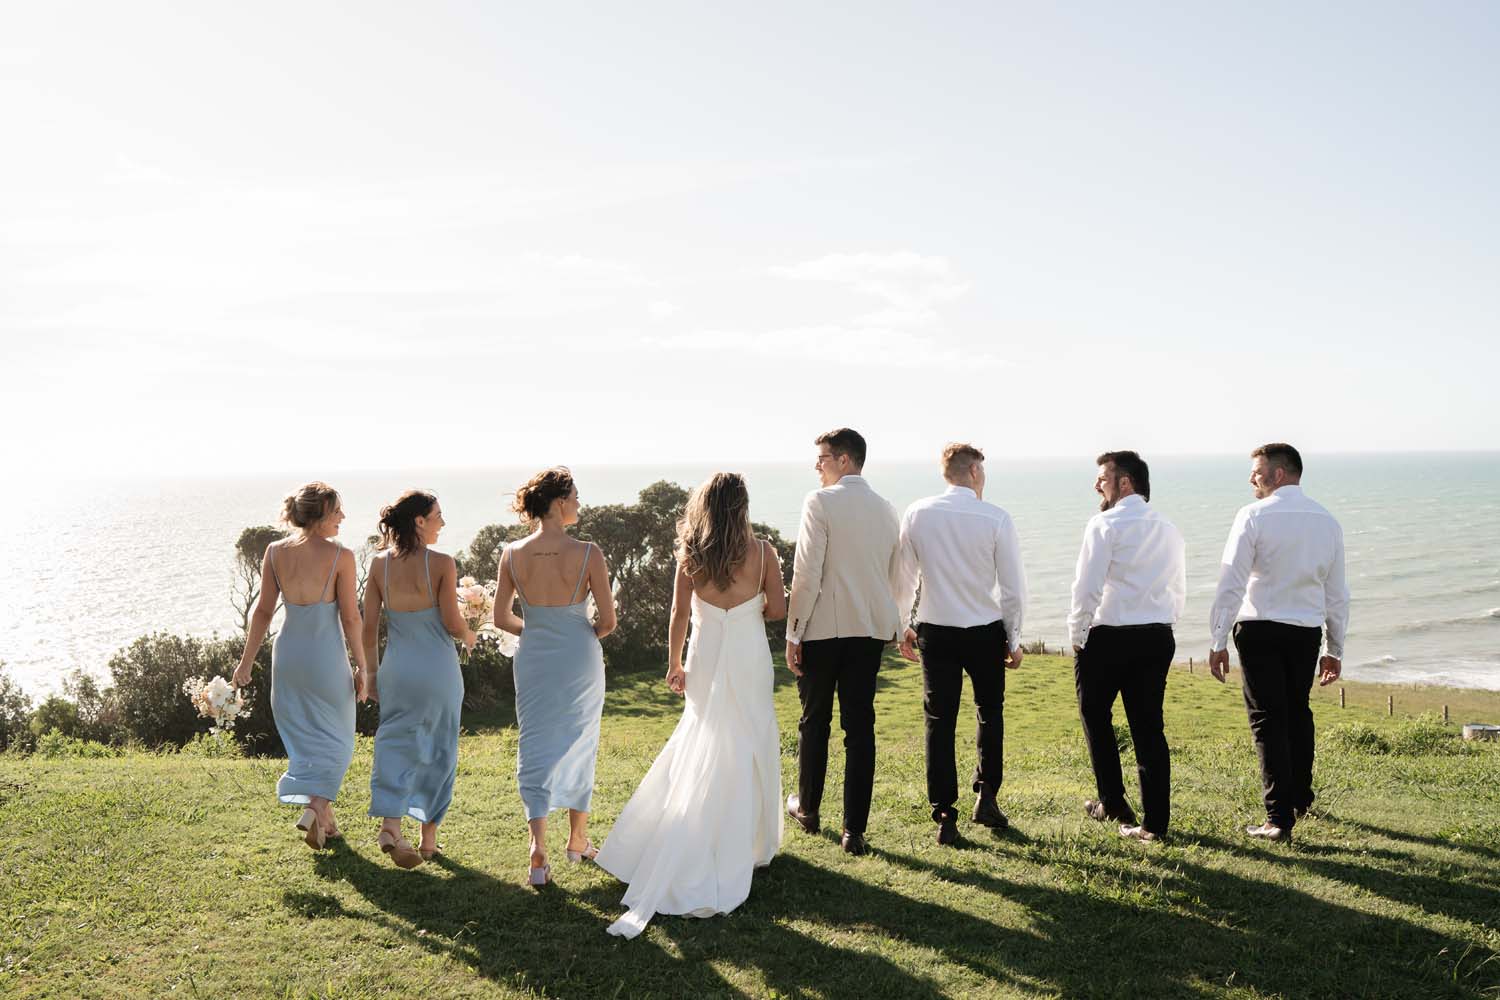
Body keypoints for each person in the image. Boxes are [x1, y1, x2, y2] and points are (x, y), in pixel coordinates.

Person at [596, 472, 786, 938]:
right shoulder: (763, 553)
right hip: (747, 658)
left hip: (703, 658)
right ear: (742, 507)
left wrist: (674, 662)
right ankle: (751, 844)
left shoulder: (691, 557)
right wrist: (753, 605)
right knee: (749, 739)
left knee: (702, 738)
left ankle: (688, 829)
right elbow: (778, 611)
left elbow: (679, 615)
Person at [1208, 443, 1349, 844]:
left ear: (1281, 473)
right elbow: (1337, 592)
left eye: (1258, 471)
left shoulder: (1252, 516)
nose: (1251, 478)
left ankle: (1277, 818)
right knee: (1296, 713)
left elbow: (1231, 582)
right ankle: (1300, 800)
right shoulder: (1327, 521)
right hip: (1305, 632)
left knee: (1268, 719)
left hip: (1260, 629)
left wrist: (1218, 638)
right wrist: (1334, 648)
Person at [893, 443, 1026, 845]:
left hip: (937, 631)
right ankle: (986, 798)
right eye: (982, 472)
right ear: (972, 473)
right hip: (985, 631)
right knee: (990, 714)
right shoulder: (997, 518)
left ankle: (945, 816)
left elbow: (904, 578)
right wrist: (1014, 638)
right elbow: (1013, 587)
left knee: (940, 721)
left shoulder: (918, 512)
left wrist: (903, 625)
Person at [493, 467, 617, 887]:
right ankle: (578, 839)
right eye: (576, 496)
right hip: (579, 657)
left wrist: (540, 631)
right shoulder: (588, 552)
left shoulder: (512, 553)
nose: (580, 503)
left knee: (535, 744)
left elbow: (501, 618)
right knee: (581, 740)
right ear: (559, 502)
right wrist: (577, 636)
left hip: (534, 659)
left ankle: (537, 851)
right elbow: (609, 621)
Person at [784, 428, 901, 855]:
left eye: (823, 458)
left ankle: (809, 810)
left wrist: (793, 632)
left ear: (846, 460)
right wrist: (893, 622)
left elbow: (807, 573)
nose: (817, 465)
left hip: (823, 629)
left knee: (815, 721)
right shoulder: (888, 509)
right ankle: (854, 830)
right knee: (860, 727)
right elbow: (896, 576)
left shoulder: (819, 502)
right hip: (868, 631)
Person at [233, 482, 369, 849]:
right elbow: (351, 619)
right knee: (339, 740)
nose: (342, 517)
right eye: (338, 510)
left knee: (307, 738)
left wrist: (245, 663)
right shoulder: (341, 555)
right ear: (323, 511)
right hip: (325, 657)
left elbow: (262, 612)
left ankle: (325, 821)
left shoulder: (275, 552)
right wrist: (364, 667)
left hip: (289, 655)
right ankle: (317, 808)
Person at [1067, 451, 1186, 842]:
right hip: (1156, 635)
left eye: (1103, 477)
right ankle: (1154, 824)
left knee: (1094, 713)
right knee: (1149, 727)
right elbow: (1178, 586)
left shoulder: (1104, 524)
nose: (1097, 484)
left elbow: (1087, 585)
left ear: (1125, 482)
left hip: (1109, 636)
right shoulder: (1168, 527)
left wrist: (1077, 632)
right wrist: (1166, 620)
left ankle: (1113, 799)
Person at [362, 490, 476, 869]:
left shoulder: (379, 565)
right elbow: (450, 620)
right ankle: (428, 840)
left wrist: (371, 672)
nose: (442, 522)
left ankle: (390, 825)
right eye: (438, 516)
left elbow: (369, 626)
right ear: (419, 522)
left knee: (395, 740)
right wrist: (470, 633)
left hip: (396, 668)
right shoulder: (442, 562)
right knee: (440, 746)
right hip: (437, 668)